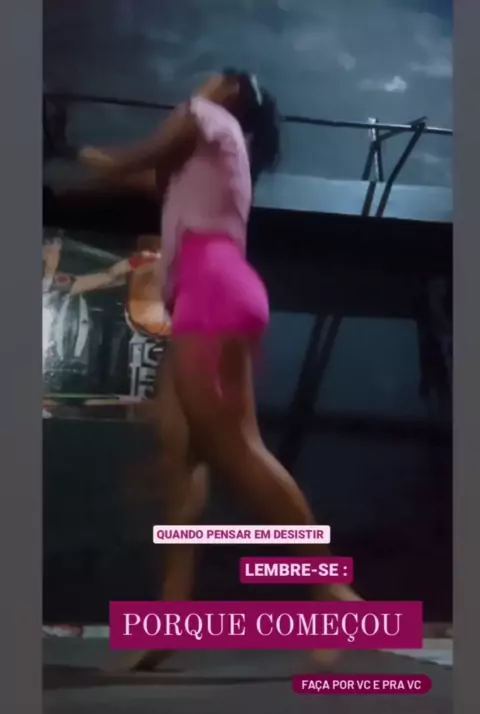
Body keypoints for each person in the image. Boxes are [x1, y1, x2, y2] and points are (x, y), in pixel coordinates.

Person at [78, 69, 361, 670]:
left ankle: (329, 588)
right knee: (181, 461)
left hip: (213, 293)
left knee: (239, 449)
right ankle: (171, 618)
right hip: (206, 298)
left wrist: (91, 156)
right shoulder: (208, 156)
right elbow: (142, 175)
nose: (201, 82)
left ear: (233, 89)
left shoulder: (207, 116)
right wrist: (84, 159)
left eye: (214, 77)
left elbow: (139, 155)